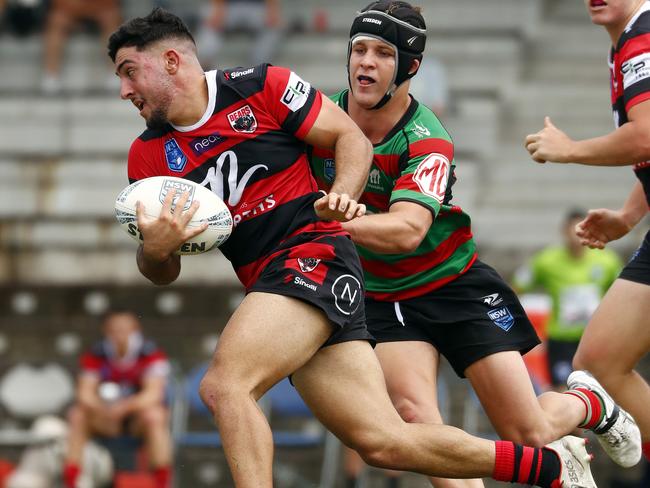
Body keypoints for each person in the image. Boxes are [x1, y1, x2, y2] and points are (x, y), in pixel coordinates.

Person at [108, 8, 598, 488]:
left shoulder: (260, 85)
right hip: (276, 285)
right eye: (119, 78)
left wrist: (342, 192)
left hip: (314, 255)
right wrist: (157, 250)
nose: (125, 90)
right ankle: (553, 469)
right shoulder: (145, 156)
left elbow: (351, 139)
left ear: (171, 61)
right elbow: (160, 272)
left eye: (131, 73)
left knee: (224, 385)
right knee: (385, 441)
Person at [307, 2, 642, 485]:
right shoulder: (320, 118)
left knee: (528, 430)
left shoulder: (427, 138)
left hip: (454, 285)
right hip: (383, 297)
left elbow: (407, 231)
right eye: (358, 49)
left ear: (410, 66)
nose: (365, 63)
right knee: (415, 419)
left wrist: (335, 222)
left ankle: (585, 404)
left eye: (382, 53)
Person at [524, 0, 650, 468]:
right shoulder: (629, 41)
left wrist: (571, 149)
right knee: (597, 365)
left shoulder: (644, 36)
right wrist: (628, 216)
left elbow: (646, 136)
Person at [514, 209, 622, 390]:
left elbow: (622, 296)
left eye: (582, 230)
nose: (577, 236)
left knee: (598, 392)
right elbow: (517, 286)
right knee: (563, 391)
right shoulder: (546, 261)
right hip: (561, 340)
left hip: (594, 340)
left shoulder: (607, 261)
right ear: (564, 231)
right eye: (573, 230)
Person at [62, 310, 172, 488]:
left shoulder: (150, 353)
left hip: (137, 421)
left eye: (125, 329)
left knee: (156, 416)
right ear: (106, 331)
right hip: (105, 419)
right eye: (115, 330)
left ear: (136, 330)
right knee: (77, 415)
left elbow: (153, 394)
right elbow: (85, 393)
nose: (120, 334)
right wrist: (103, 408)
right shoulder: (96, 354)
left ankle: (162, 482)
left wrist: (125, 407)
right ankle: (71, 480)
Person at [41, 0, 122, 94]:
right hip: (67, 7)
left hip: (102, 6)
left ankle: (114, 73)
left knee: (112, 18)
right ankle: (51, 76)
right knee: (56, 21)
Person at [194, 0, 281, 69]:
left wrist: (272, 9)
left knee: (272, 26)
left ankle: (259, 69)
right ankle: (204, 61)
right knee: (208, 18)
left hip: (257, 8)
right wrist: (218, 9)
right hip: (228, 7)